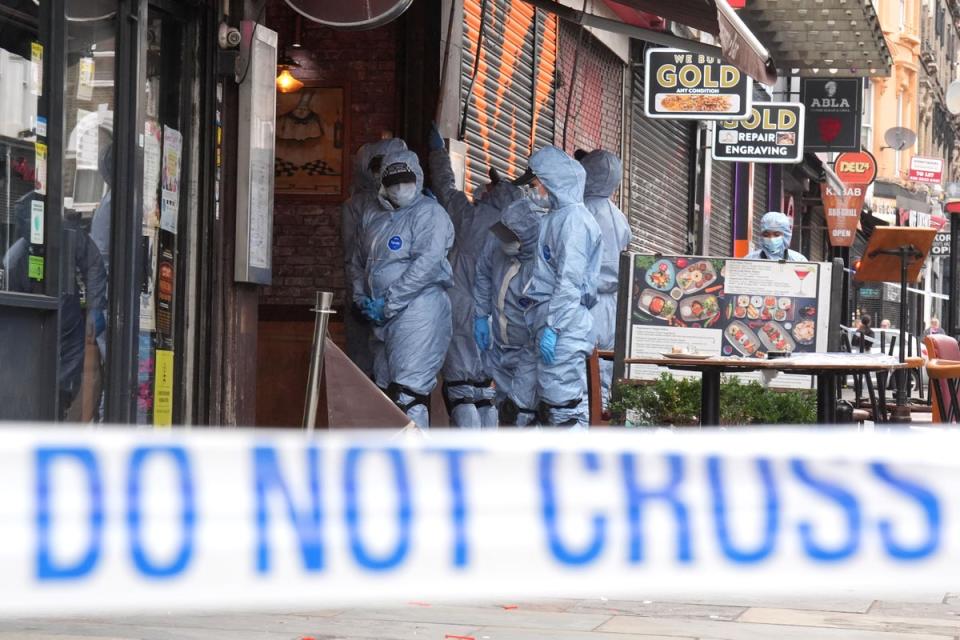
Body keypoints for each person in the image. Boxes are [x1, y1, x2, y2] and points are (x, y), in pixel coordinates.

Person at [348, 149, 454, 428]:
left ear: (417, 179)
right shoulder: (373, 215)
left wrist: (390, 302)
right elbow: (358, 261)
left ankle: (415, 467)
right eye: (393, 182)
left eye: (405, 181)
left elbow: (426, 265)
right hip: (381, 318)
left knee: (408, 395)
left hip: (419, 312)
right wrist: (362, 299)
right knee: (386, 396)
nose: (399, 188)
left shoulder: (430, 214)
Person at [428, 124, 523, 428]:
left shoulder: (471, 216)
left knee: (460, 388)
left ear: (494, 195)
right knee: (484, 388)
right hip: (496, 316)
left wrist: (437, 153)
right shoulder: (517, 230)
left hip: (461, 307)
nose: (482, 189)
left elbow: (445, 187)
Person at [520, 146, 602, 427]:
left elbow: (569, 281)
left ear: (551, 181)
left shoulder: (574, 221)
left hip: (564, 326)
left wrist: (554, 327)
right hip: (551, 322)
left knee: (562, 410)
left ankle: (573, 469)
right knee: (539, 408)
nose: (532, 191)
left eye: (534, 185)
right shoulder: (558, 218)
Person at [341, 138, 408, 376]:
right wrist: (359, 298)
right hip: (367, 302)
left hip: (403, 305)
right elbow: (354, 258)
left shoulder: (417, 207)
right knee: (365, 371)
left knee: (400, 375)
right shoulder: (358, 206)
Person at [474, 198, 543, 426]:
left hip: (528, 349)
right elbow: (483, 273)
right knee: (503, 409)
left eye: (511, 238)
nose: (504, 242)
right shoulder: (496, 244)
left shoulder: (541, 261)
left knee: (521, 413)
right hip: (501, 345)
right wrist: (481, 315)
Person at [578, 149, 631, 409]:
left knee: (582, 378)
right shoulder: (619, 216)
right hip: (614, 306)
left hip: (587, 303)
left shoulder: (580, 212)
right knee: (606, 376)